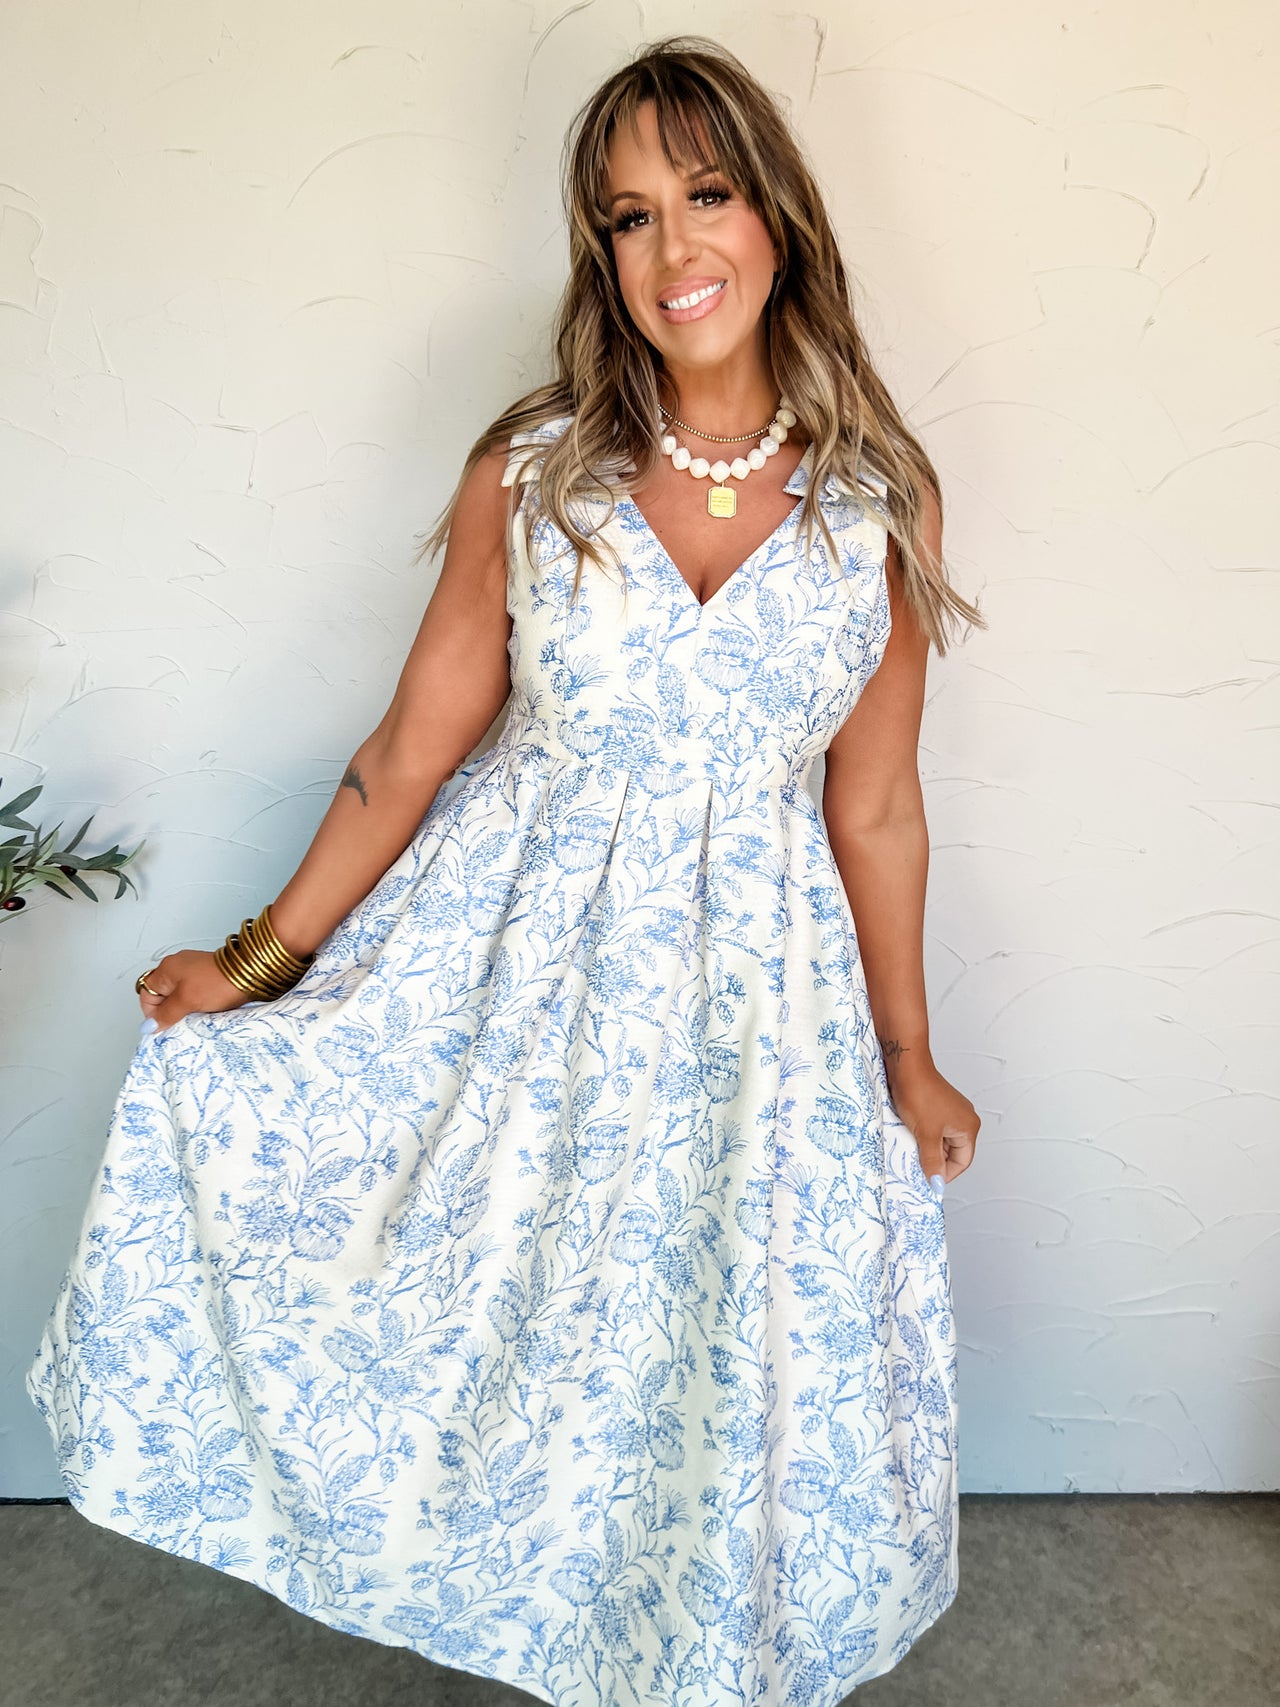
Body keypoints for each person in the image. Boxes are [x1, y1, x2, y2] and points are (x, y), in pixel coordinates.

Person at [27, 34, 984, 1707]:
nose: (674, 253)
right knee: (519, 1346)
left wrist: (907, 1058)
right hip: (516, 990)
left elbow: (879, 809)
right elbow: (412, 751)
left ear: (777, 216)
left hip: (751, 1026)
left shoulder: (870, 509)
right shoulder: (534, 474)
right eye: (627, 217)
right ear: (596, 254)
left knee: (704, 1367)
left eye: (705, 195)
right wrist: (260, 963)